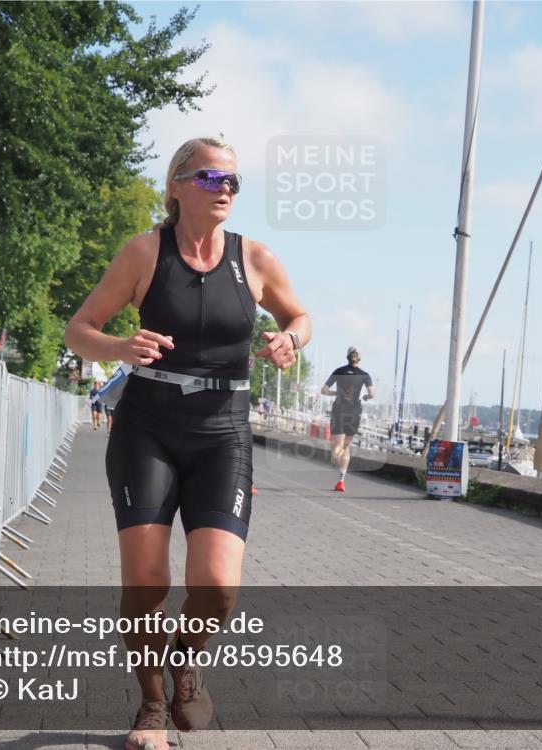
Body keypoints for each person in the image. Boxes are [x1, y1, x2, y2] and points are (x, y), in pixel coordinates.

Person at [64, 137, 310, 750]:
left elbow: (299, 316)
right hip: (147, 428)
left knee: (218, 584)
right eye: (209, 177)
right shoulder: (146, 253)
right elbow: (79, 330)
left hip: (223, 432)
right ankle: (151, 705)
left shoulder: (254, 258)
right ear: (176, 186)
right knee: (146, 582)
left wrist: (291, 341)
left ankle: (188, 661)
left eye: (233, 181)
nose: (224, 188)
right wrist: (120, 347)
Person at [320, 346, 374, 492]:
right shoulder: (365, 375)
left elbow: (323, 390)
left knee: (337, 445)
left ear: (347, 357)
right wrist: (366, 397)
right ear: (359, 358)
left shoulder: (339, 371)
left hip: (339, 409)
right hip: (354, 411)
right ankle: (341, 481)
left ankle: (334, 455)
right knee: (346, 447)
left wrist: (335, 393)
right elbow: (372, 393)